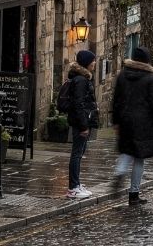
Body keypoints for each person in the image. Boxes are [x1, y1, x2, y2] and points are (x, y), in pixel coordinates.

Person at [111, 47, 153, 206]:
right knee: (139, 158)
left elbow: (116, 100)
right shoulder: (150, 78)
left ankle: (119, 172)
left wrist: (116, 121)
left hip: (125, 119)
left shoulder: (122, 76)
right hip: (144, 122)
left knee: (126, 151)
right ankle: (134, 194)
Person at [64, 49, 98, 199]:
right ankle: (73, 188)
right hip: (80, 123)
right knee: (77, 154)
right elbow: (78, 105)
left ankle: (77, 184)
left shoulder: (83, 79)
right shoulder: (81, 80)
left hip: (83, 121)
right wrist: (84, 126)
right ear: (87, 63)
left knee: (80, 153)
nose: (95, 63)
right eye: (93, 60)